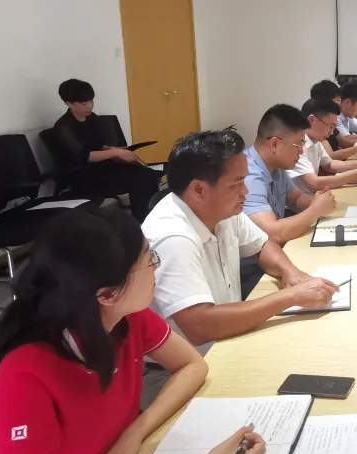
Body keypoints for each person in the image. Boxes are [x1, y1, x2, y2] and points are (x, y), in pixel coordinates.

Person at [0, 208, 266, 454]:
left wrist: (132, 435)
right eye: (149, 259)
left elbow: (193, 365)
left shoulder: (126, 317)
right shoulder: (25, 376)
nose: (157, 266)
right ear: (108, 294)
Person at [143, 129, 338, 356]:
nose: (245, 191)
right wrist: (290, 297)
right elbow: (200, 326)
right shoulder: (172, 237)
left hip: (229, 337)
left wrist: (290, 272)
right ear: (198, 189)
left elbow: (262, 245)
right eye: (236, 184)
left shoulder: (220, 208)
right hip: (191, 361)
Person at [52, 78, 161, 221]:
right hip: (83, 175)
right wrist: (115, 152)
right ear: (69, 103)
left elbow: (99, 145)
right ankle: (141, 221)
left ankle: (150, 218)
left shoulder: (92, 118)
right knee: (140, 178)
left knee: (147, 173)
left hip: (103, 167)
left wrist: (114, 149)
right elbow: (84, 157)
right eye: (84, 103)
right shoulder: (63, 127)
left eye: (91, 101)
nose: (90, 106)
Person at [244, 104, 340, 243]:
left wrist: (318, 201)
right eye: (298, 145)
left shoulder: (277, 166)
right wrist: (316, 210)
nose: (301, 152)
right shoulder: (248, 175)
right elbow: (272, 234)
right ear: (274, 144)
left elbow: (296, 198)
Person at [292, 98, 357, 192]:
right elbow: (314, 183)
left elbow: (329, 164)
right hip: (304, 199)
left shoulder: (315, 141)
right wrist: (356, 175)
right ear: (311, 120)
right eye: (330, 127)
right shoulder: (296, 146)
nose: (331, 133)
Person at [310, 79, 357, 160]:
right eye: (337, 102)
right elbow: (331, 157)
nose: (339, 106)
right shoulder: (318, 124)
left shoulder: (330, 120)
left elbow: (345, 142)